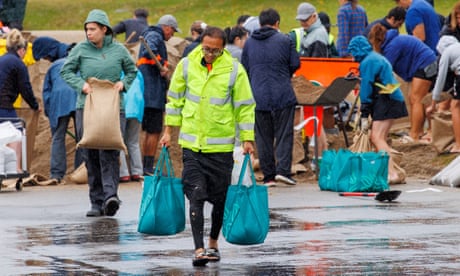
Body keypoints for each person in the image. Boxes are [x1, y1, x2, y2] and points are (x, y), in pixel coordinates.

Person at [159, 26, 255, 266]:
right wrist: (168, 131)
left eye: (215, 50)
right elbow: (175, 100)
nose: (209, 54)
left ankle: (213, 242)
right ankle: (199, 248)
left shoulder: (234, 70)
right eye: (206, 49)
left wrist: (247, 138)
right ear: (200, 44)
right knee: (197, 194)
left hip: (221, 148)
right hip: (192, 145)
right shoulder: (187, 65)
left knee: (220, 199)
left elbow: (244, 106)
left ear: (223, 48)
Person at [60, 9, 137, 217]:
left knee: (110, 151)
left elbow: (132, 71)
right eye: (87, 29)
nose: (89, 33)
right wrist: (81, 85)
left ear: (104, 29)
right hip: (86, 106)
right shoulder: (80, 49)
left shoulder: (119, 50)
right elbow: (66, 71)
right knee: (91, 151)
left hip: (113, 107)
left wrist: (124, 83)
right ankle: (96, 201)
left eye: (93, 29)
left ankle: (111, 197)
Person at [242, 8, 300, 186]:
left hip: (258, 95)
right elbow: (295, 64)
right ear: (277, 24)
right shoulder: (285, 40)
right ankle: (283, 171)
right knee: (284, 133)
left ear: (259, 24)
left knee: (263, 136)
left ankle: (268, 176)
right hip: (282, 93)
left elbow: (245, 67)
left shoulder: (249, 43)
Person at [348, 35, 408, 183]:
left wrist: (365, 112)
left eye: (352, 52)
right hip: (392, 98)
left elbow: (367, 87)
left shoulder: (368, 62)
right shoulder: (375, 57)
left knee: (377, 138)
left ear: (357, 50)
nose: (351, 56)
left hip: (386, 100)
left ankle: (391, 173)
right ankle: (389, 171)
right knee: (380, 138)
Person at [369, 25, 437, 144]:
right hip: (425, 63)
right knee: (420, 99)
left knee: (416, 99)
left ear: (377, 41)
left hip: (425, 64)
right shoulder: (393, 41)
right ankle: (424, 131)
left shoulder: (392, 46)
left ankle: (415, 135)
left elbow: (384, 70)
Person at [32, 36, 81, 183]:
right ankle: (80, 171)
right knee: (83, 138)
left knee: (58, 137)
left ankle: (56, 174)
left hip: (59, 102)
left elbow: (46, 93)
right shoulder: (79, 60)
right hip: (79, 99)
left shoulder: (54, 67)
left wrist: (49, 112)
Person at [138, 14, 180, 176]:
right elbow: (151, 51)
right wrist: (161, 66)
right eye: (173, 31)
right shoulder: (155, 35)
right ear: (167, 27)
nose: (172, 35)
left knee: (149, 131)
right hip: (153, 94)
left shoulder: (150, 34)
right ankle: (147, 167)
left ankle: (145, 167)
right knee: (153, 131)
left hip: (148, 93)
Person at [0, 28, 39, 173]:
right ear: (21, 50)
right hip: (4, 104)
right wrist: (35, 106)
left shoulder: (2, 59)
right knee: (16, 132)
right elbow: (26, 89)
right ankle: (15, 169)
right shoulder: (18, 64)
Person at [427, 36, 460, 153]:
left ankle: (458, 145)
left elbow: (440, 80)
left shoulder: (446, 52)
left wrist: (433, 103)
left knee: (455, 106)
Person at [119, 70, 144, 183]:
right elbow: (142, 89)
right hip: (137, 108)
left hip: (123, 108)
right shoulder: (137, 72)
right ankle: (137, 172)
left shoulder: (116, 71)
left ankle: (123, 173)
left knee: (119, 142)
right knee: (133, 142)